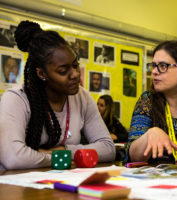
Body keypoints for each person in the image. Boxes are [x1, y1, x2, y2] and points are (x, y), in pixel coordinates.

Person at [0, 20, 115, 170]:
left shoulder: (82, 97)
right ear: (42, 74)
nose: (74, 74)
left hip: (62, 183)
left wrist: (65, 151)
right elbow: (13, 158)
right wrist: (56, 158)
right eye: (63, 71)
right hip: (16, 187)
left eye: (75, 65)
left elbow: (108, 148)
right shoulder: (17, 98)